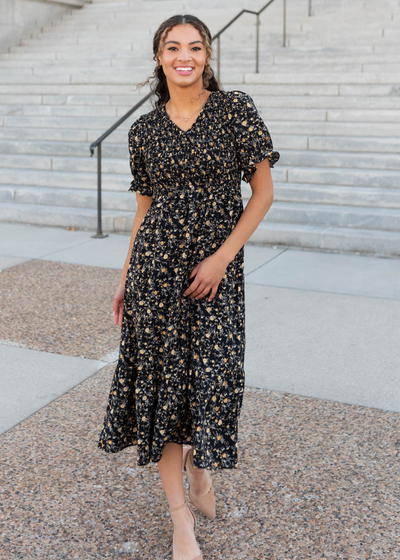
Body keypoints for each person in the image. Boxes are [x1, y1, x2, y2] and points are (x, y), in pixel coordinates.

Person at [98, 13, 279, 560]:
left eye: (195, 47)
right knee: (164, 391)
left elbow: (264, 193)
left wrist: (222, 258)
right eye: (173, 46)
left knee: (215, 379)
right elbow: (143, 211)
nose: (185, 55)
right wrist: (127, 276)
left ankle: (202, 469)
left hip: (215, 275)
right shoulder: (143, 131)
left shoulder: (234, 110)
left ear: (207, 55)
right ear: (158, 56)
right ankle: (181, 526)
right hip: (156, 275)